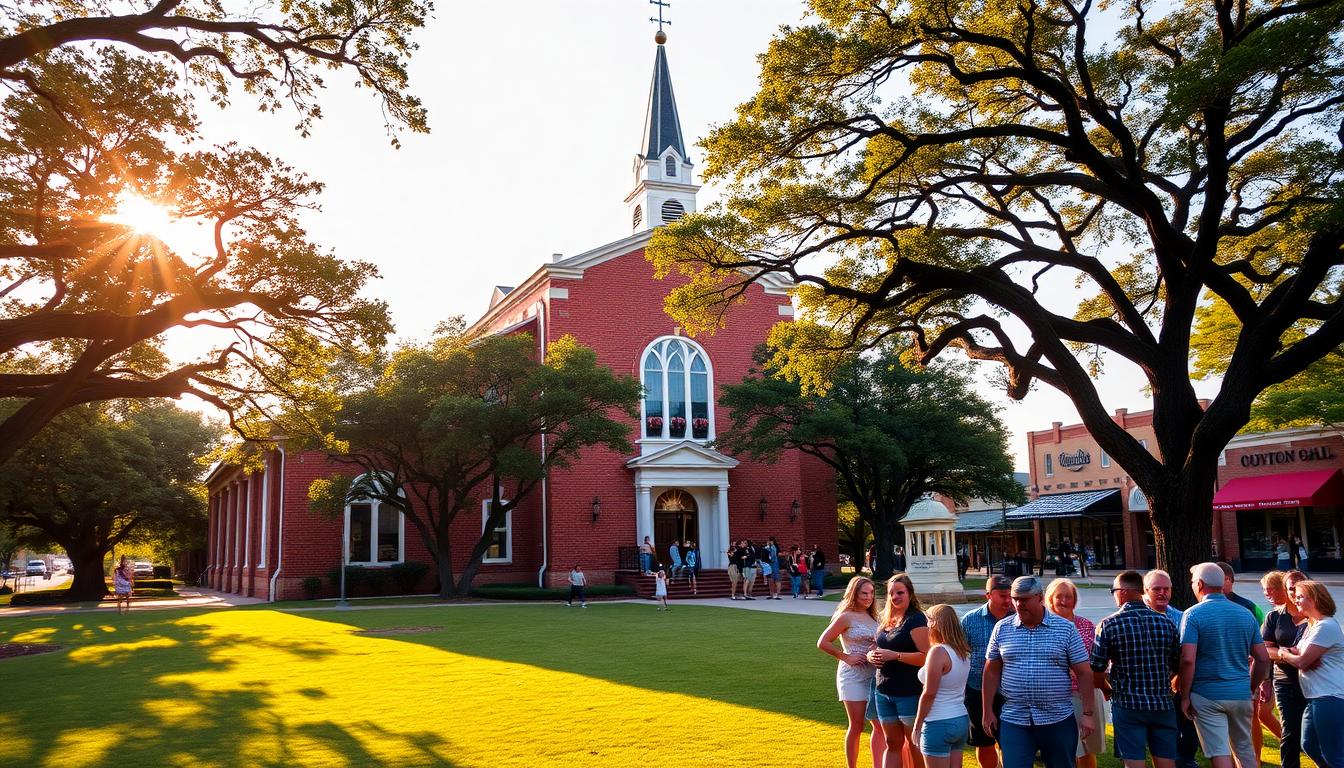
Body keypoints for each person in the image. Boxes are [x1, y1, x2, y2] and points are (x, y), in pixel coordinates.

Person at [982, 575, 1096, 768]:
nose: (1018, 604)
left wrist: (1088, 713)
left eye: (1024, 599)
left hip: (1057, 718)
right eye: (1015, 598)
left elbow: (1084, 672)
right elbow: (991, 671)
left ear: (1040, 597)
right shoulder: (1002, 628)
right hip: (1014, 718)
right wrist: (987, 711)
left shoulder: (1065, 629)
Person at [1177, 562, 1270, 768]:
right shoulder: (1245, 613)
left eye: (1193, 582)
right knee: (1245, 750)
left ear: (1200, 584)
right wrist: (1251, 687)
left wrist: (1184, 695)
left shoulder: (1192, 614)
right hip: (1240, 693)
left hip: (1206, 694)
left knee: (1219, 752)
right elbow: (1263, 658)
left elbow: (1188, 659)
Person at [1091, 570, 1182, 768]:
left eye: (1113, 591)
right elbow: (1178, 665)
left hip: (1128, 703)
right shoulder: (1166, 622)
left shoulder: (1109, 624)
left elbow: (1096, 669)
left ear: (1122, 592)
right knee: (1166, 760)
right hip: (1162, 703)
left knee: (1133, 761)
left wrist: (1107, 688)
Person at [819, 577, 888, 768]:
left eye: (871, 593)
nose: (868, 597)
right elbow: (822, 642)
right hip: (853, 676)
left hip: (874, 675)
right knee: (857, 726)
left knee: (879, 725)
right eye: (864, 593)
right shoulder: (845, 616)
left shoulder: (875, 616)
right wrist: (845, 656)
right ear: (854, 593)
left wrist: (878, 644)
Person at [1215, 560, 1279, 759]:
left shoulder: (1248, 607)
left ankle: (1256, 760)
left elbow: (1262, 645)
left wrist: (1263, 678)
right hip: (1222, 673)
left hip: (1248, 671)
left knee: (1253, 716)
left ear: (1227, 580)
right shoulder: (1207, 605)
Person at [866, 573, 928, 768]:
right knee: (892, 743)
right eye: (891, 593)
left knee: (914, 743)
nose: (895, 597)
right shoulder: (888, 619)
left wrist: (896, 655)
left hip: (909, 693)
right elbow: (877, 647)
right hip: (883, 691)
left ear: (910, 593)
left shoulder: (916, 620)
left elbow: (927, 657)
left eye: (900, 592)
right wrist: (871, 656)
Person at [1280, 579, 1344, 768]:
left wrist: (1284, 654)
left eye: (1300, 597)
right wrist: (1297, 656)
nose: (1296, 600)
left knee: (1334, 754)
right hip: (1314, 696)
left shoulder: (1326, 626)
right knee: (1309, 744)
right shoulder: (1312, 626)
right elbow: (1300, 656)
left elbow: (1301, 661)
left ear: (1314, 600)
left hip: (1329, 695)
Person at [1044, 579, 1105, 768]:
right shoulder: (1042, 628)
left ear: (1075, 600)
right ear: (1050, 599)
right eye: (1058, 596)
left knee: (1087, 749)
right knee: (1063, 750)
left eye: (1068, 596)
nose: (1063, 601)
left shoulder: (1086, 626)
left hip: (1086, 694)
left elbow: (1094, 661)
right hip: (1057, 697)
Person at [1144, 569, 1198, 768]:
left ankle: (1186, 761)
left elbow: (1189, 654)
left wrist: (1178, 677)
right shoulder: (1136, 617)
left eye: (1166, 589)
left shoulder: (1181, 618)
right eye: (1156, 589)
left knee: (1185, 733)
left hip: (1177, 686)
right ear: (1146, 590)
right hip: (1147, 690)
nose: (1162, 593)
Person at [961, 574, 1015, 768]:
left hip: (1012, 693)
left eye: (1011, 595)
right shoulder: (970, 620)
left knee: (1011, 743)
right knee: (984, 742)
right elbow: (960, 653)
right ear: (988, 596)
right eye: (1002, 595)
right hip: (977, 691)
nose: (1008, 600)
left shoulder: (1019, 618)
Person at [915, 604, 972, 768]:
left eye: (928, 621)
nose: (926, 626)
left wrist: (917, 726)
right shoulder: (962, 651)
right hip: (960, 719)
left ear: (934, 624)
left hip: (938, 721)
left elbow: (929, 693)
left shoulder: (938, 652)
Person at [1262, 570, 1309, 768]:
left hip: (1315, 682)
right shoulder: (1274, 617)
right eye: (1291, 588)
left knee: (1316, 734)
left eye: (1300, 586)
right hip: (1285, 683)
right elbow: (1264, 650)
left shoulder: (1315, 614)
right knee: (1289, 732)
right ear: (1285, 589)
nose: (1295, 592)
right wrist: (1283, 654)